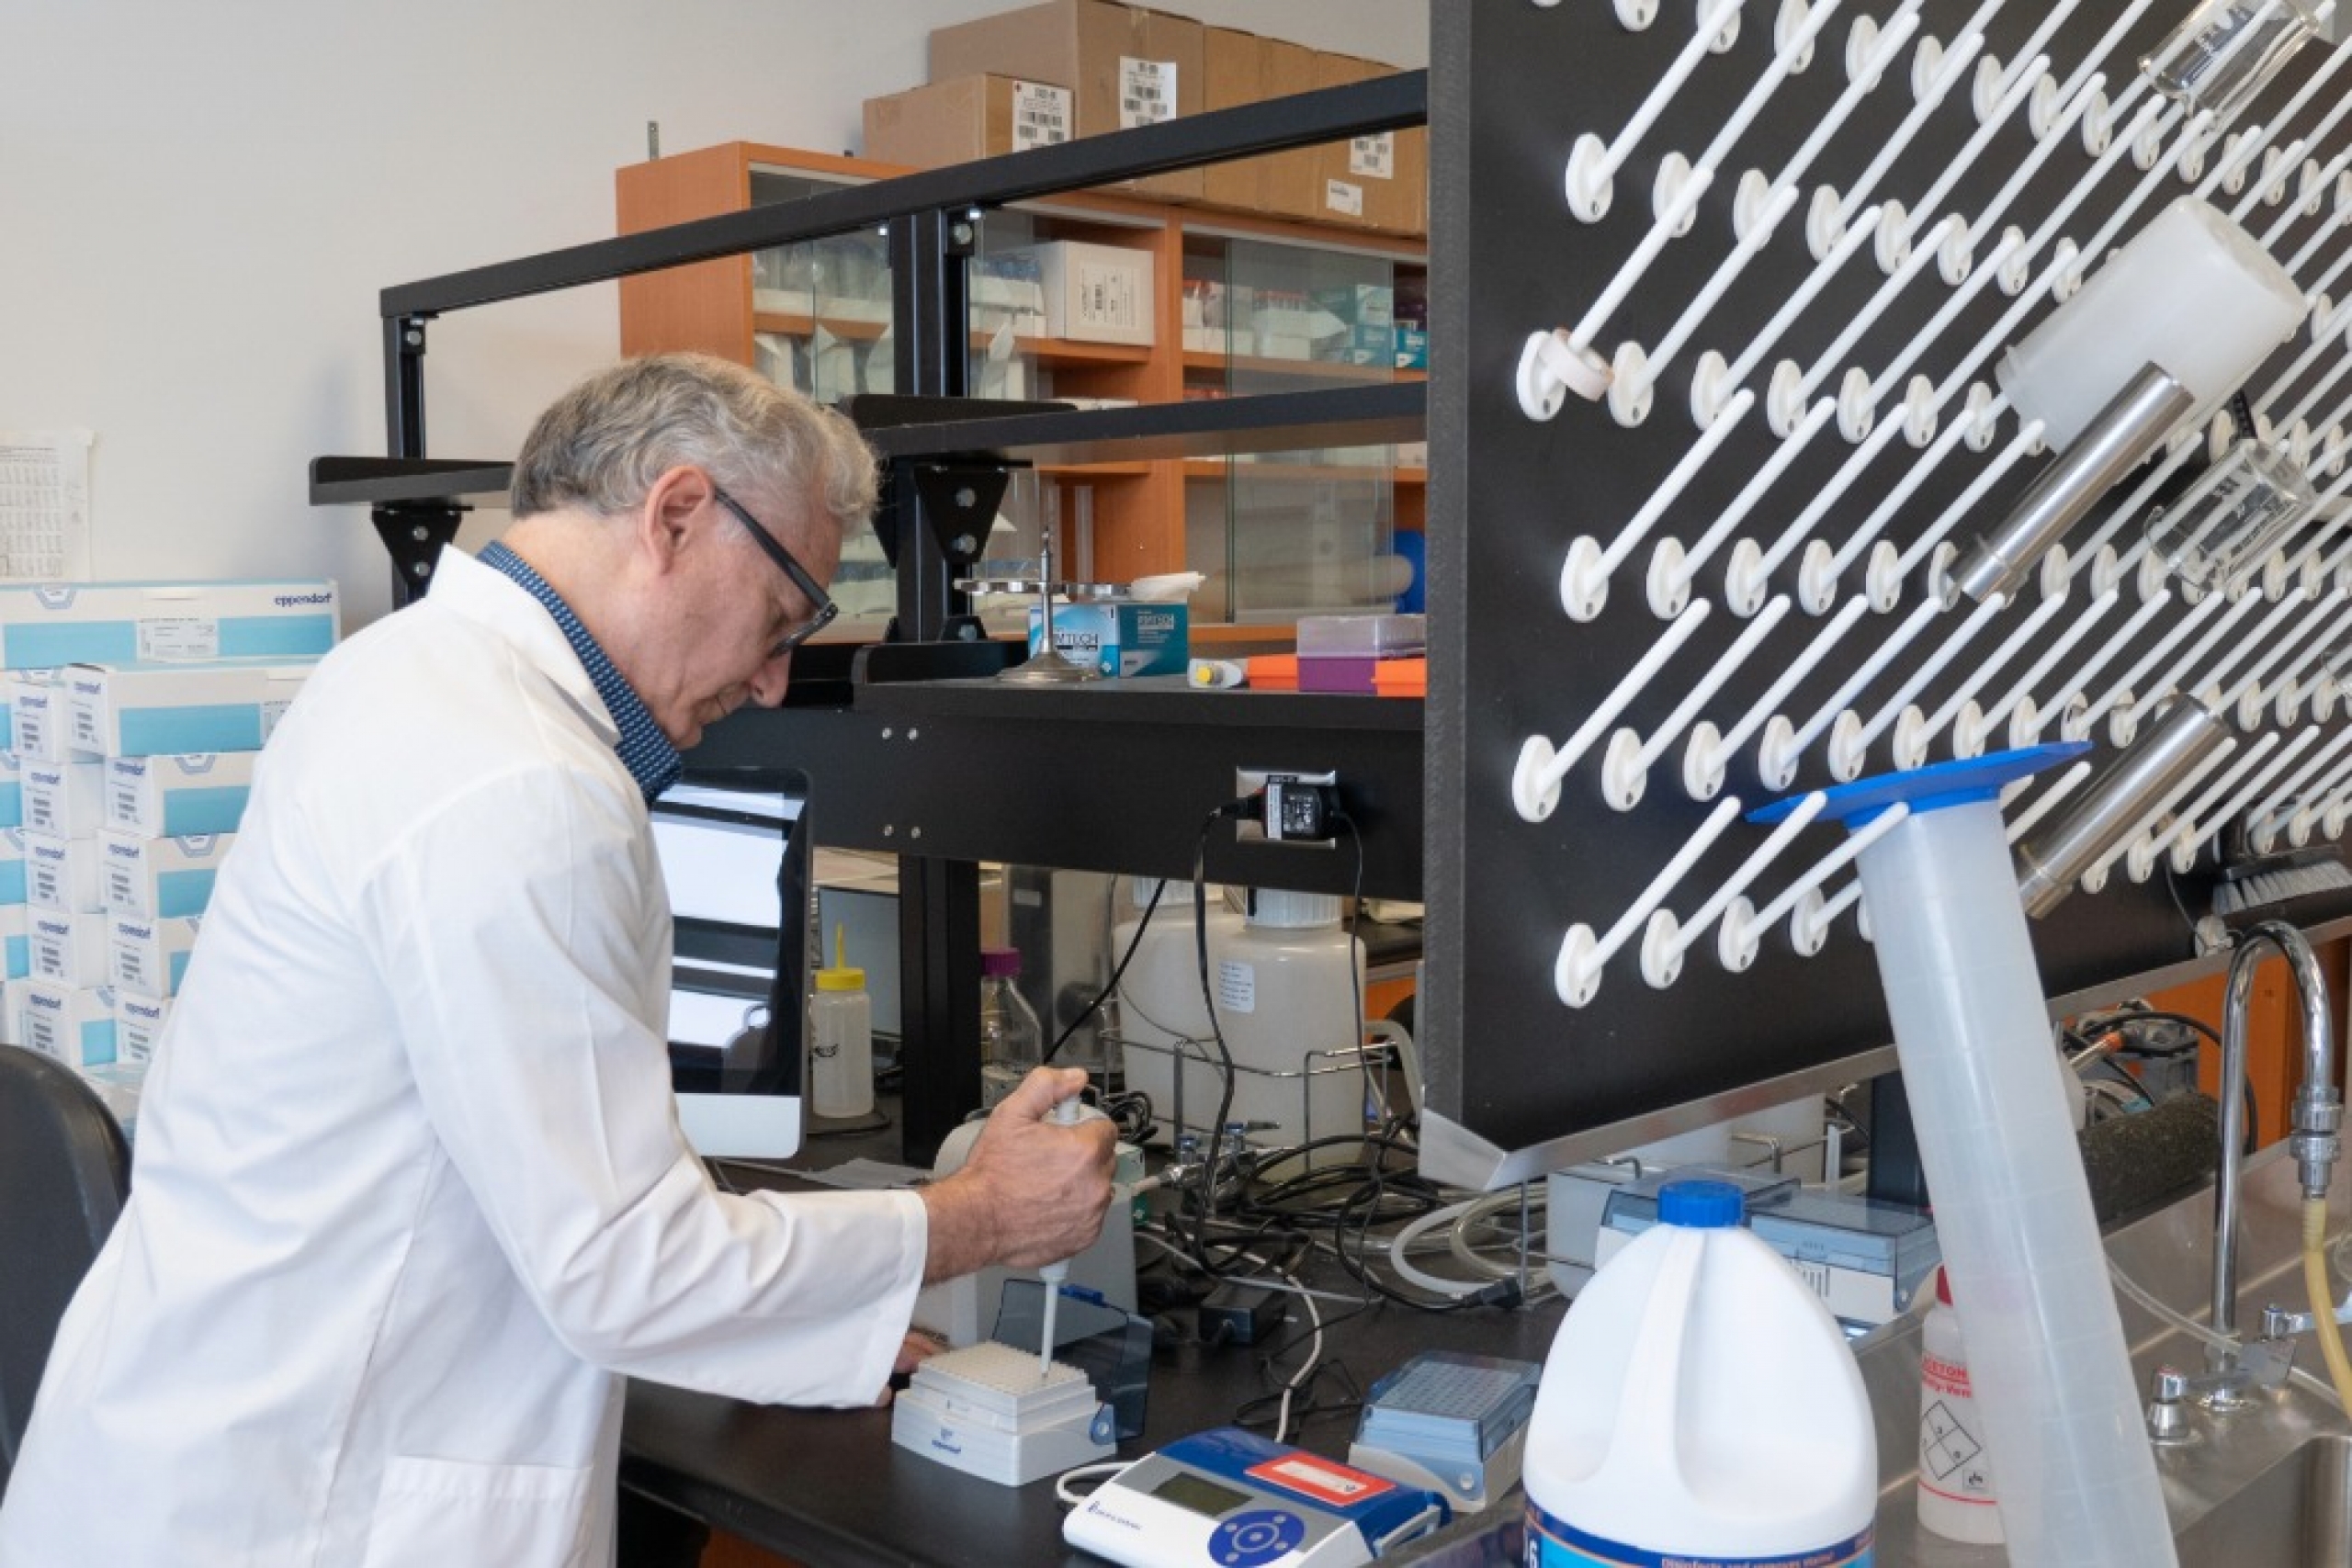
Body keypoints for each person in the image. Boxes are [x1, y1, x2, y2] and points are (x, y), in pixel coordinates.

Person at [0, 353, 1115, 1567]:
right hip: (305, 1506)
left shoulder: (406, 669)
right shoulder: (521, 783)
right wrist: (976, 1217)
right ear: (678, 515)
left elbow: (545, 1186)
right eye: (784, 613)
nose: (773, 676)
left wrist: (815, 1333)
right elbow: (627, 1269)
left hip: (204, 1452)